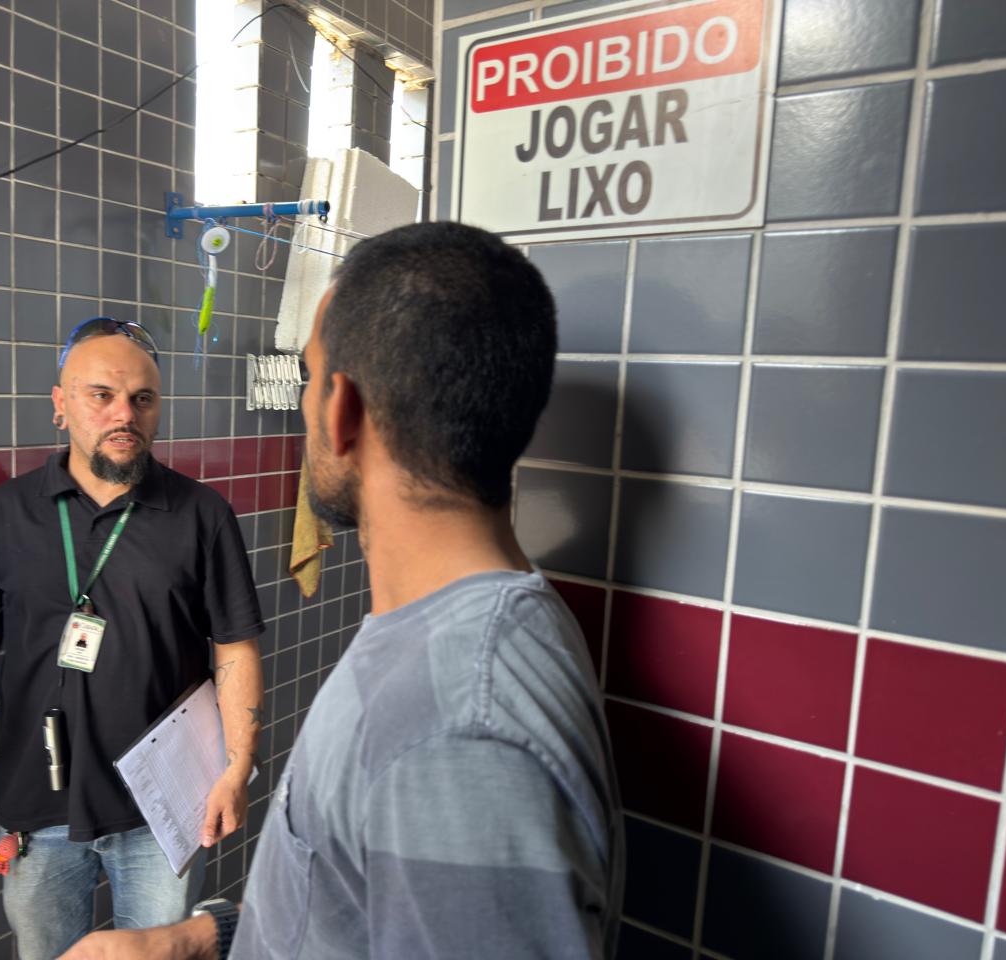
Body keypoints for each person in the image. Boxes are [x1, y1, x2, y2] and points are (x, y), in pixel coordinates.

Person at [61, 222, 624, 960]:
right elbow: (362, 896)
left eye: (308, 375)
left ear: (342, 410)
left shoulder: (459, 731)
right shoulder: (452, 633)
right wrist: (197, 941)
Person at [0, 318, 265, 960]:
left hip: (161, 804)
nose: (124, 414)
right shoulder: (7, 511)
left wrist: (236, 766)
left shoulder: (202, 516)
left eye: (142, 398)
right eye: (101, 395)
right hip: (38, 803)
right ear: (61, 404)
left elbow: (235, 647)